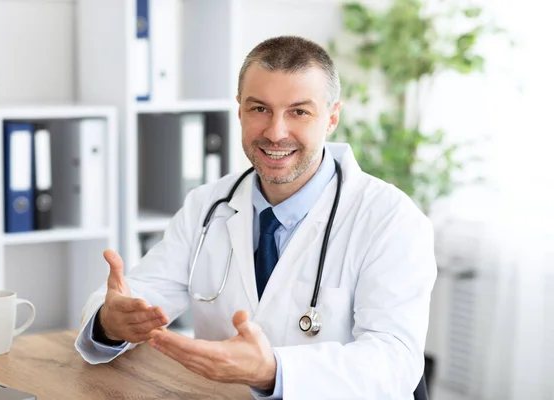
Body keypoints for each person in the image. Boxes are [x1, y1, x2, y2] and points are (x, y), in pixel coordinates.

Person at [75, 35, 437, 399]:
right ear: (240, 110)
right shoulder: (208, 205)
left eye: (299, 111)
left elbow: (396, 362)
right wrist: (110, 321)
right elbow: (142, 295)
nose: (275, 132)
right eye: (259, 109)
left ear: (331, 118)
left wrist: (274, 372)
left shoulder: (391, 220)